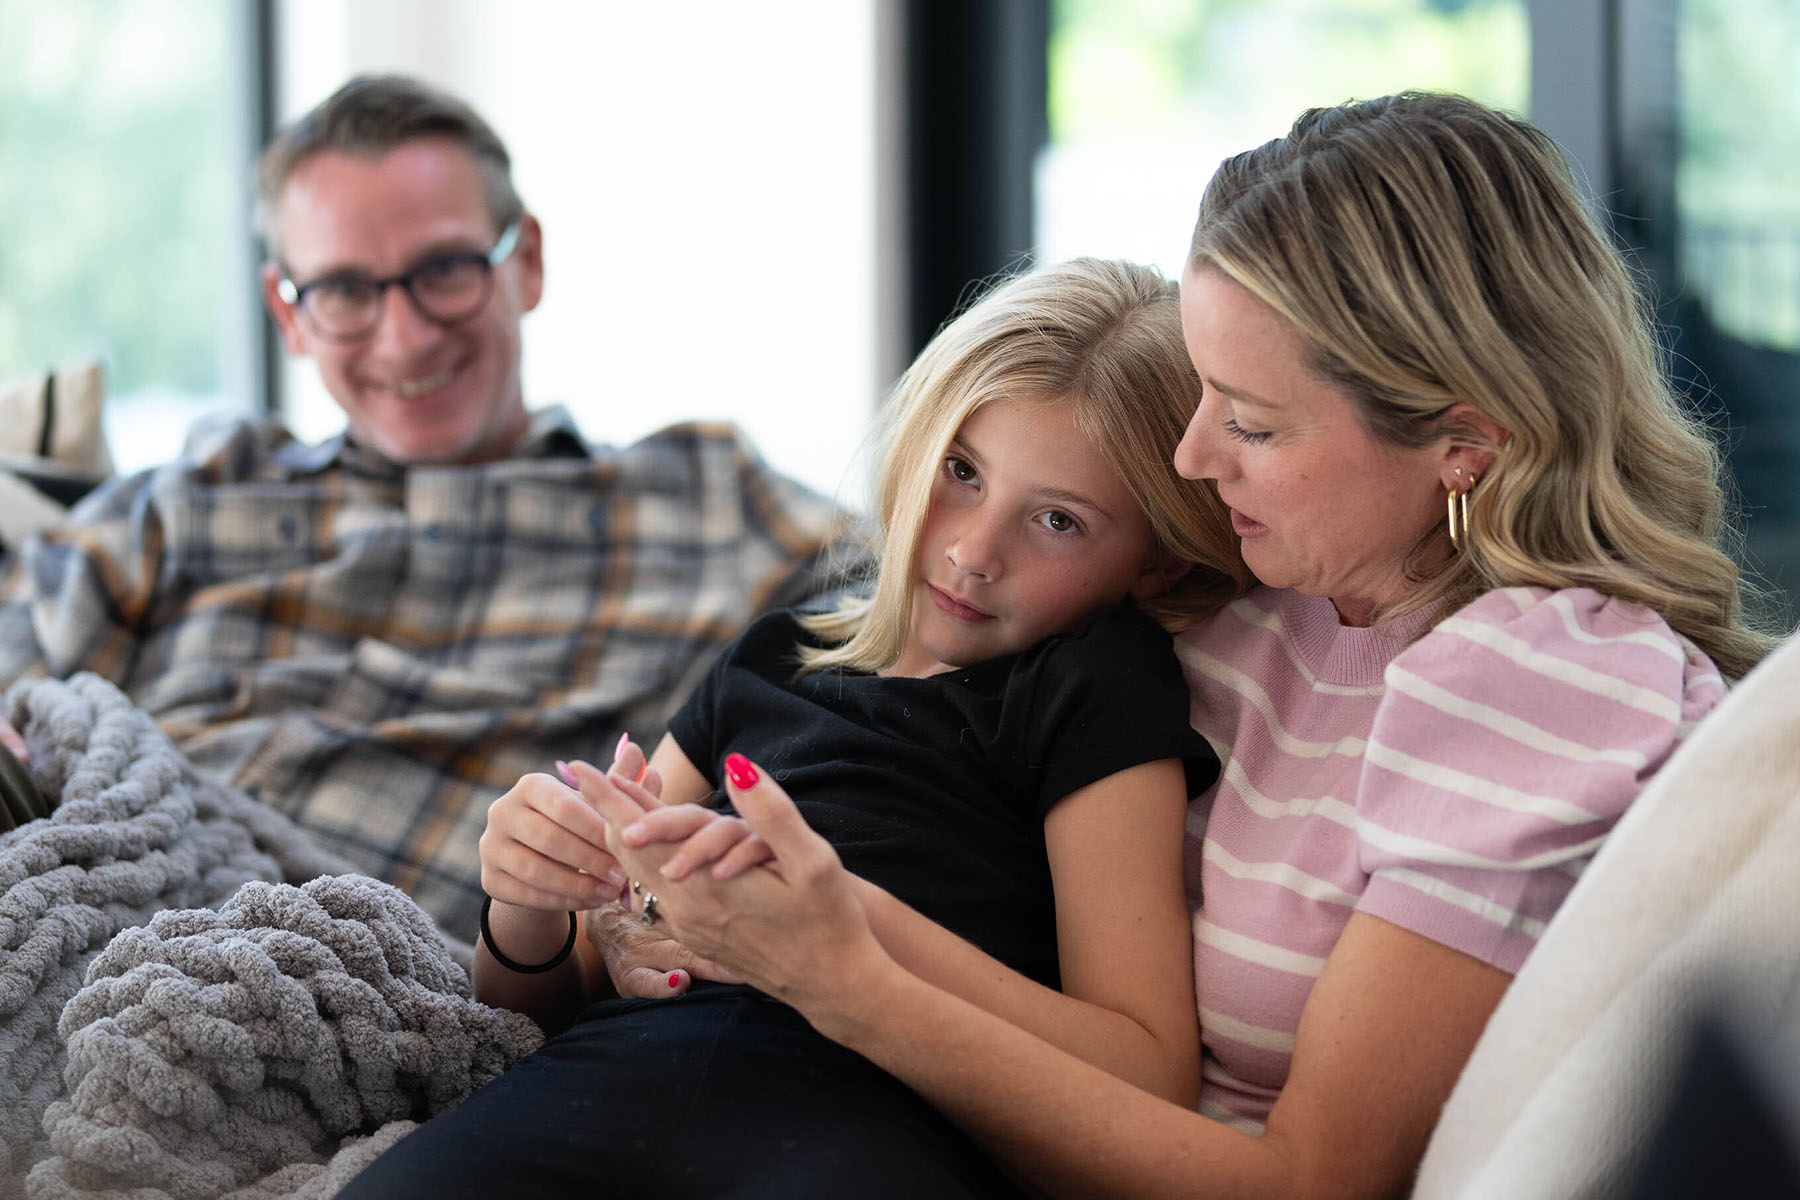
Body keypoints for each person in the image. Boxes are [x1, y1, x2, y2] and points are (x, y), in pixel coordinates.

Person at [571, 91, 1783, 1198]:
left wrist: (848, 983)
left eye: (1251, 422)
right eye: (1203, 389)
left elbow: (1313, 1185)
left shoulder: (1547, 682)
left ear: (1465, 444)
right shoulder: (1240, 607)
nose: (1194, 459)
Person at [336, 257, 1251, 1199]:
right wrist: (529, 900)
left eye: (1058, 520)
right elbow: (547, 1002)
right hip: (607, 1076)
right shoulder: (775, 655)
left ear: (1159, 568)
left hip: (871, 1111)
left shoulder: (1094, 681)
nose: (973, 552)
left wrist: (849, 930)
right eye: (961, 470)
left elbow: (1146, 1075)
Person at [0, 74, 854, 942]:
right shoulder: (197, 491)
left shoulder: (709, 500)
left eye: (444, 270)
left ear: (526, 261)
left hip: (376, 988)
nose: (404, 338)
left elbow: (922, 595)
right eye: (343, 290)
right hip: (89, 913)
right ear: (287, 315)